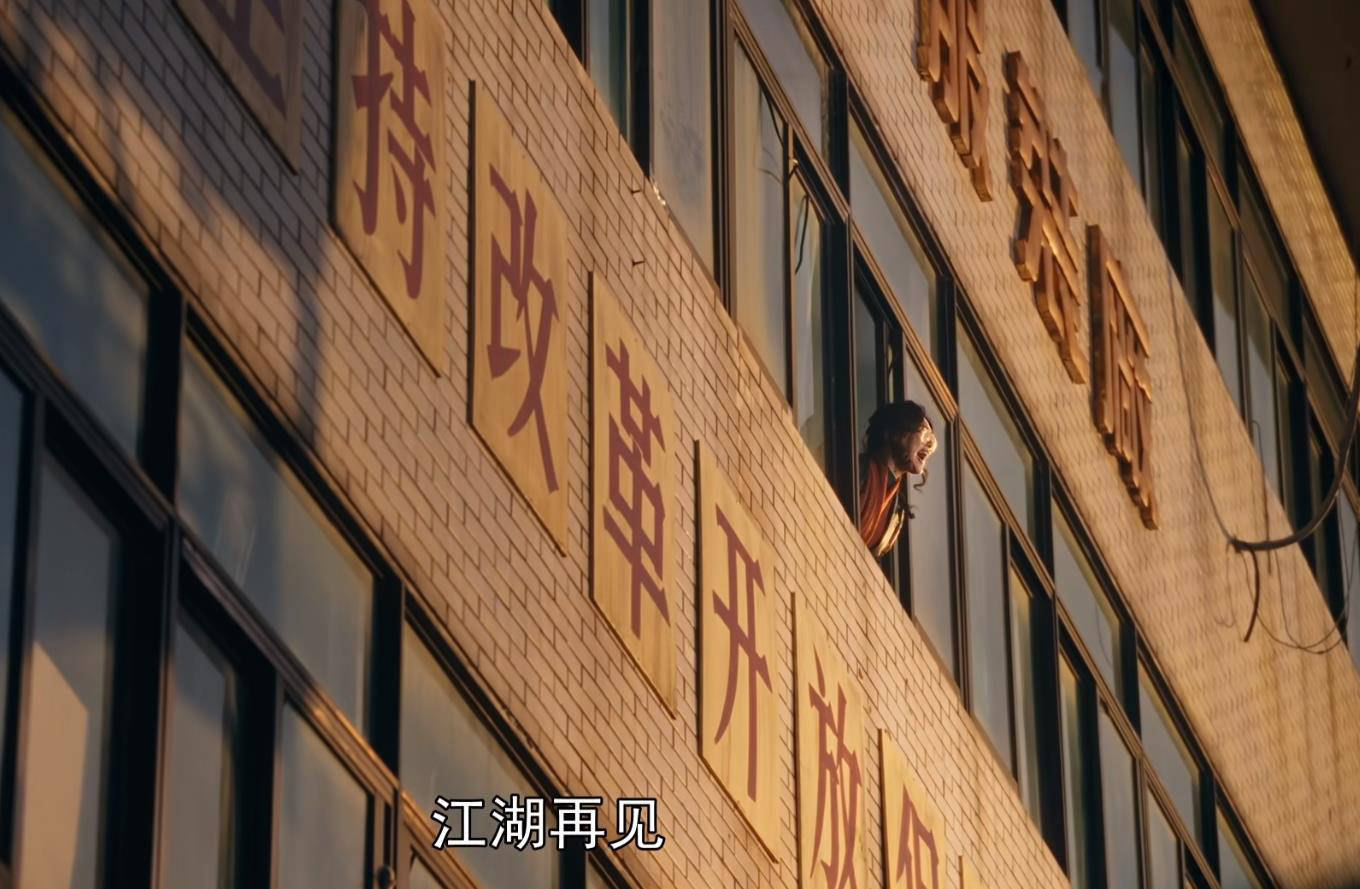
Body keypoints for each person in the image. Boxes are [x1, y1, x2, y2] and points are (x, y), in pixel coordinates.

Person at [857, 400, 937, 557]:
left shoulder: (897, 515)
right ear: (896, 434)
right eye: (924, 434)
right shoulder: (858, 468)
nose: (928, 447)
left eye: (931, 442)